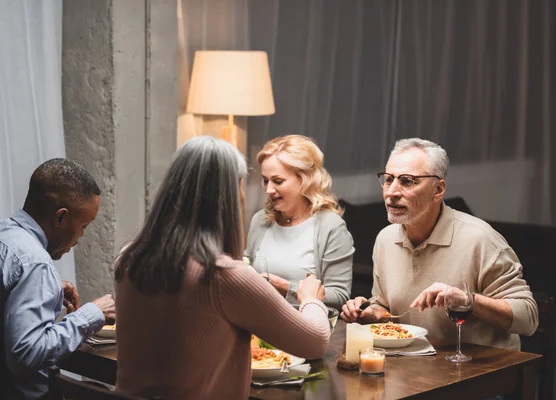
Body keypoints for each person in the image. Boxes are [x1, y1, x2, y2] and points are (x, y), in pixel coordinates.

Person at [114, 136, 330, 399]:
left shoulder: (129, 259)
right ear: (225, 197)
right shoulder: (223, 277)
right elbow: (314, 342)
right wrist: (309, 299)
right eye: (240, 185)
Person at [341, 138, 538, 350]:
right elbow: (385, 307)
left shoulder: (480, 239)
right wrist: (370, 312)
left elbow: (528, 318)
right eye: (389, 180)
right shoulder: (386, 239)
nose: (392, 192)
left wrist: (467, 300)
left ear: (438, 189)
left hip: (480, 372)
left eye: (407, 181)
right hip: (415, 369)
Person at [0, 158, 117, 399]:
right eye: (84, 225)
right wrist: (90, 314)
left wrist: (42, 288)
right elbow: (26, 356)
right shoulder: (35, 263)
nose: (81, 236)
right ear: (60, 217)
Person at [245, 134, 354, 310]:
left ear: (305, 179)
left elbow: (339, 296)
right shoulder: (260, 221)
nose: (269, 189)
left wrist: (288, 289)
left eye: (278, 181)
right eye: (265, 181)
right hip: (258, 325)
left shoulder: (330, 227)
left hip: (306, 327)